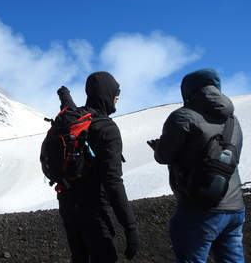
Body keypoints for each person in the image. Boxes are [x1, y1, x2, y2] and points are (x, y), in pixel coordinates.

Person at [148, 68, 245, 263]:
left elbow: (163, 156)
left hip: (198, 207)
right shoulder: (232, 120)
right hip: (235, 206)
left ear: (188, 91)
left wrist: (159, 146)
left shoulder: (183, 116)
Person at [56, 71, 139, 263]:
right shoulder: (107, 129)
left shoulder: (73, 120)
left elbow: (66, 105)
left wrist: (63, 94)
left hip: (69, 205)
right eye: (116, 92)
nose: (117, 97)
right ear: (107, 93)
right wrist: (130, 227)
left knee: (79, 258)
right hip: (96, 210)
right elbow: (112, 181)